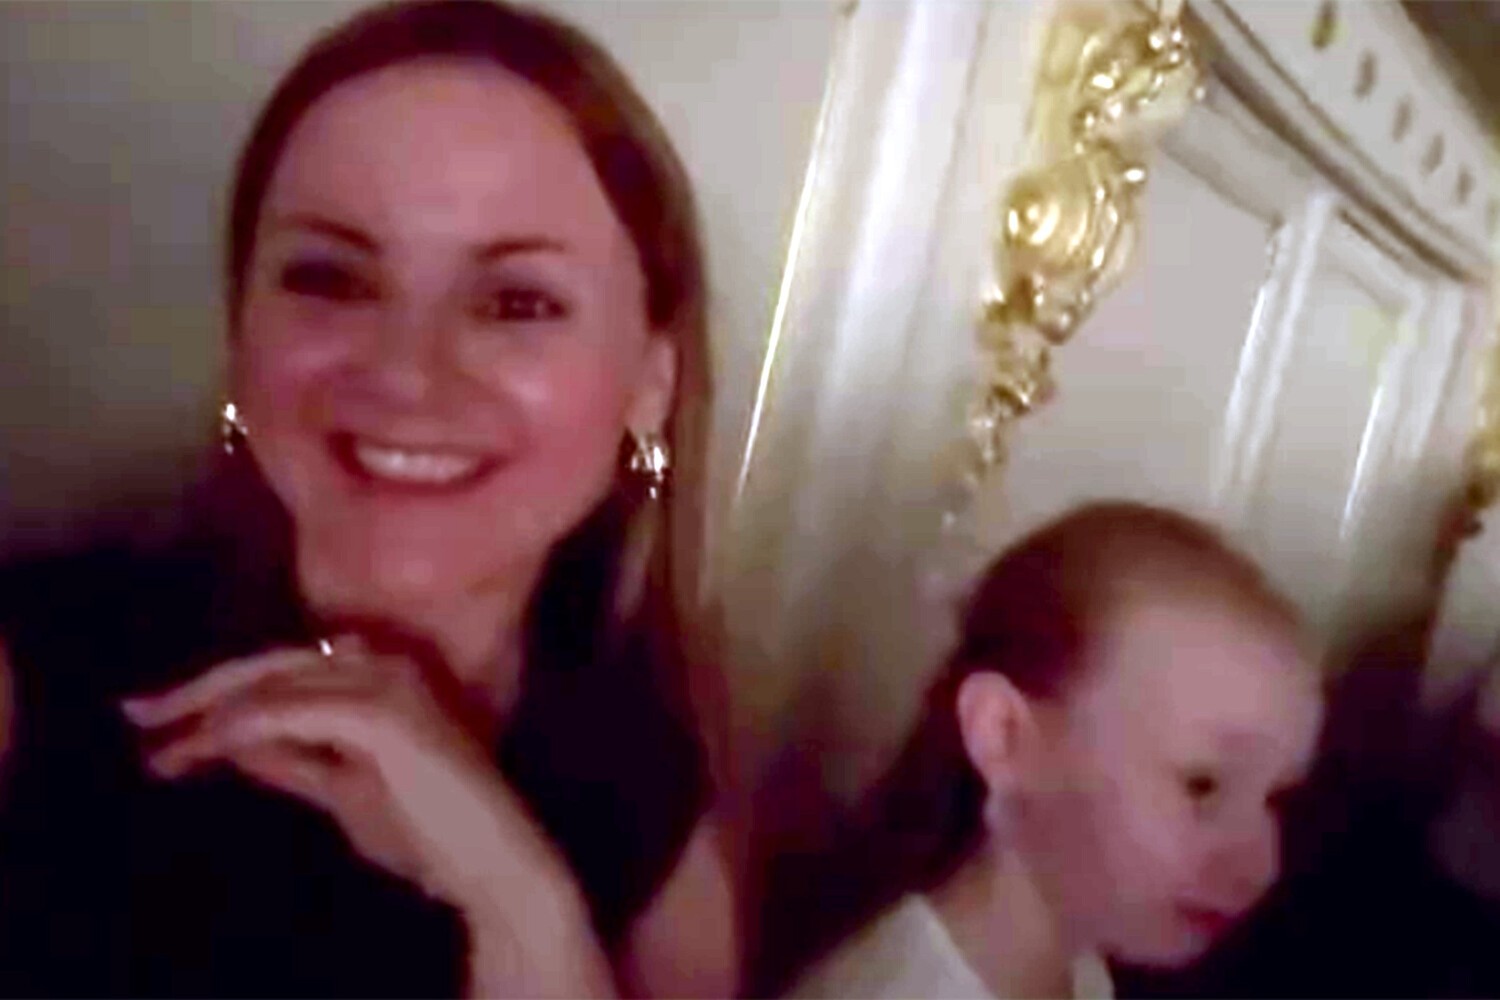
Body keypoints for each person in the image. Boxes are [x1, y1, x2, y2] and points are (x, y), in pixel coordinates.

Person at [0, 1, 735, 995]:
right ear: (241, 331)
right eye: (329, 278)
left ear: (651, 380)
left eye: (517, 301)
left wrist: (522, 904)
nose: (405, 372)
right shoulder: (33, 677)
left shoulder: (651, 802)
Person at [767, 503, 1323, 999]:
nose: (1259, 868)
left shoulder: (1077, 964)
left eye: (1275, 798)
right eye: (1202, 785)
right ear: (1004, 735)